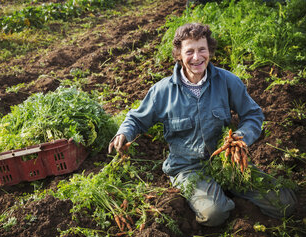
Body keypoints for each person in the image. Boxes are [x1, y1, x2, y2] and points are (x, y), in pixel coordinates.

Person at [108, 23, 296, 226]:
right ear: (179, 54)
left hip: (228, 161)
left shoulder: (227, 81)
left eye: (202, 50)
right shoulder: (163, 91)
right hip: (188, 167)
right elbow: (136, 118)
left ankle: (226, 189)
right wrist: (124, 133)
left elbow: (253, 114)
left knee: (284, 203)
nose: (197, 58)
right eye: (189, 51)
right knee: (214, 214)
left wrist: (241, 138)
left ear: (210, 51)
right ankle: (217, 198)